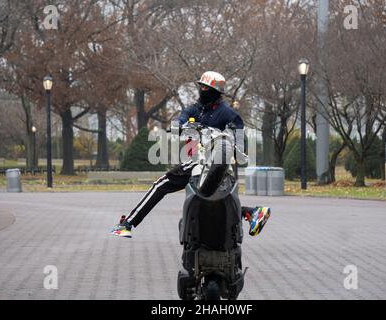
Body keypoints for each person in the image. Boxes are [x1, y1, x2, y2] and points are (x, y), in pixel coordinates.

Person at [111, 71, 271, 238]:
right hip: (210, 166)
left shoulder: (228, 113)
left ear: (215, 92)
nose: (202, 90)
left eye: (206, 87)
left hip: (205, 163)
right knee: (213, 199)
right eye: (200, 86)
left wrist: (232, 139)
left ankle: (127, 223)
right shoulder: (194, 109)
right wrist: (177, 126)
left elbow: (240, 137)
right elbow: (181, 119)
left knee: (161, 185)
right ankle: (252, 212)